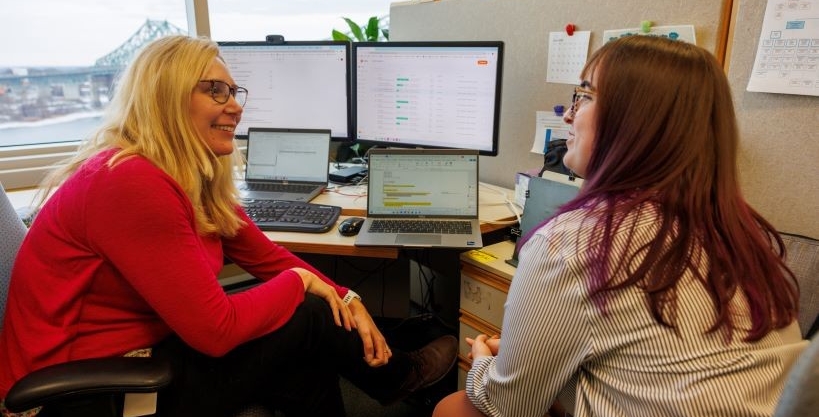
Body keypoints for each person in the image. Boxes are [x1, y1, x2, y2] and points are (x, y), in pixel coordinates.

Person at [0, 35, 457, 417]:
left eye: (234, 92)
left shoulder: (185, 176)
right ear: (167, 97)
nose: (234, 106)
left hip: (142, 354)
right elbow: (216, 332)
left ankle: (398, 375)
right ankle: (404, 376)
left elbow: (267, 257)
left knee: (305, 346)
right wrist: (303, 285)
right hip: (86, 392)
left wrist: (347, 296)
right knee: (308, 318)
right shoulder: (129, 181)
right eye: (215, 90)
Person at [433, 35, 808, 417]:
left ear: (634, 121)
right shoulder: (741, 234)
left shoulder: (572, 243)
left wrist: (481, 361)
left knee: (453, 409)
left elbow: (508, 406)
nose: (567, 115)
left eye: (586, 96)